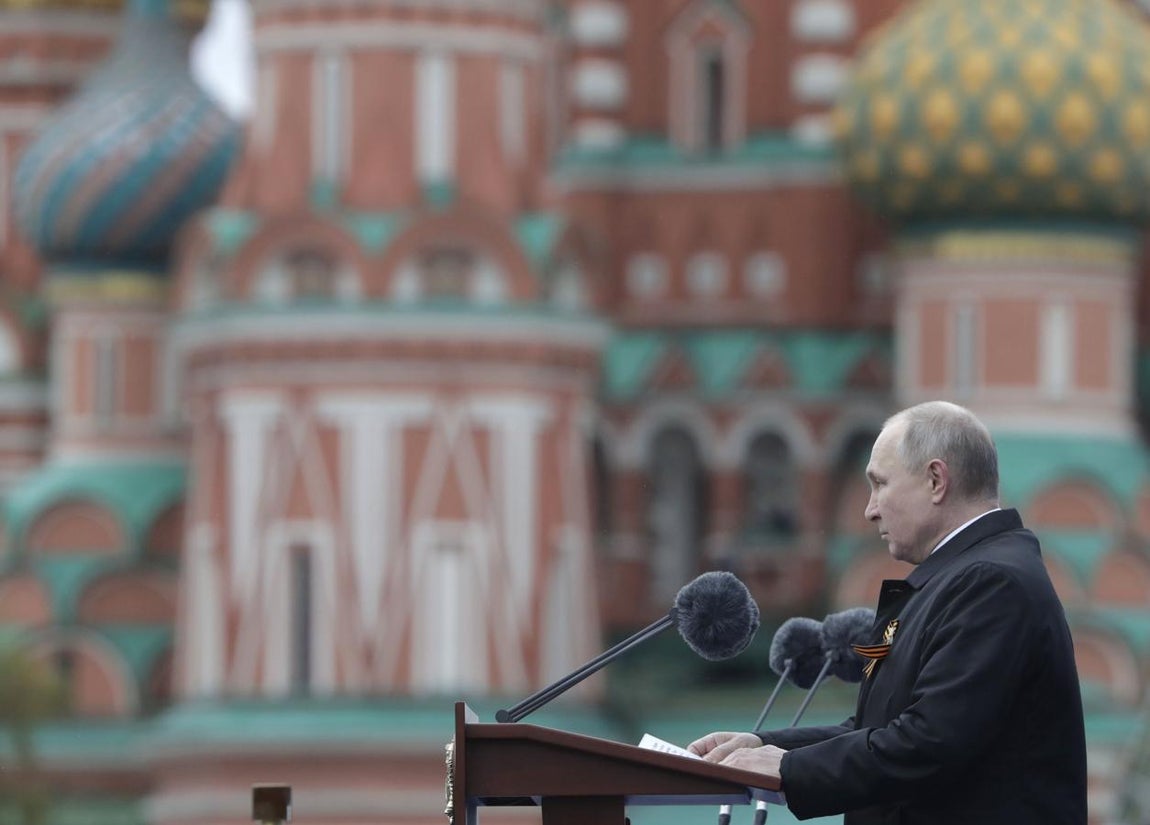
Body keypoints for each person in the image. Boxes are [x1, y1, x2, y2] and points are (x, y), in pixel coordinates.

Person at [689, 400, 1086, 824]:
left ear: (936, 480)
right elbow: (876, 728)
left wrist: (786, 769)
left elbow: (928, 741)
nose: (870, 508)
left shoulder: (991, 583)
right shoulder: (953, 581)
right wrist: (763, 747)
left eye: (880, 484)